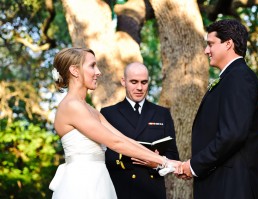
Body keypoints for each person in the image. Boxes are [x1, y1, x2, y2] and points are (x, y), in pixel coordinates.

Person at [49, 47, 180, 199]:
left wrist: (167, 161)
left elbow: (124, 139)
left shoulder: (90, 109)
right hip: (82, 183)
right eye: (92, 66)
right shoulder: (72, 106)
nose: (98, 72)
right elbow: (115, 143)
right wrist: (164, 161)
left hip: (100, 181)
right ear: (75, 70)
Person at [179, 19, 258, 199]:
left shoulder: (239, 78)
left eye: (210, 44)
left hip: (232, 187)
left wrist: (195, 165)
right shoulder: (231, 77)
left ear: (228, 44)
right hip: (221, 184)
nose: (206, 50)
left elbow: (232, 134)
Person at [100, 62, 180, 199]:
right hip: (121, 189)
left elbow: (173, 155)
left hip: (152, 190)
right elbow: (102, 155)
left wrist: (158, 164)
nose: (139, 87)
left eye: (144, 82)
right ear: (123, 82)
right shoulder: (108, 114)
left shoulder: (162, 113)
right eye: (134, 82)